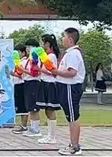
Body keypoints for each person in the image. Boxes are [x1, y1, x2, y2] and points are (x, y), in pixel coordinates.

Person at [50, 28, 85, 156]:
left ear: (70, 39)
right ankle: (72, 144)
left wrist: (56, 72)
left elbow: (72, 72)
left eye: (63, 36)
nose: (62, 39)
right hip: (64, 87)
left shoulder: (74, 54)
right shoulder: (69, 53)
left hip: (70, 87)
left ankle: (75, 146)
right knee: (70, 116)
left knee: (73, 116)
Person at [37, 34, 61, 144]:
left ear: (47, 43)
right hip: (44, 83)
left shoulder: (51, 56)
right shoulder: (45, 55)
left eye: (42, 42)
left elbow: (53, 72)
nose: (41, 44)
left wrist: (40, 69)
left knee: (50, 110)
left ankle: (52, 136)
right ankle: (49, 135)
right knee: (47, 110)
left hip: (50, 84)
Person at [21, 39, 42, 137]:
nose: (27, 49)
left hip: (34, 83)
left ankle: (36, 129)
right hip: (27, 82)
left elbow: (35, 73)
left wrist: (23, 70)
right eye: (27, 47)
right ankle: (32, 127)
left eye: (30, 47)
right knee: (30, 106)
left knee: (34, 107)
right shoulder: (28, 59)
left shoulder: (35, 57)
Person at [11, 44, 29, 134]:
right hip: (17, 84)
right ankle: (22, 125)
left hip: (22, 84)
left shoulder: (24, 62)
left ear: (23, 52)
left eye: (18, 52)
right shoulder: (19, 62)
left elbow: (21, 75)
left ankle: (24, 125)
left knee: (23, 106)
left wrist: (12, 73)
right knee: (20, 106)